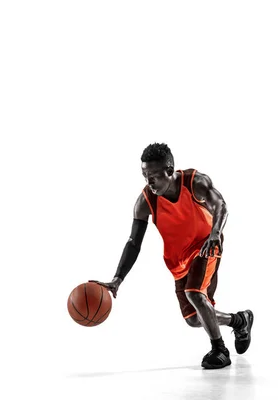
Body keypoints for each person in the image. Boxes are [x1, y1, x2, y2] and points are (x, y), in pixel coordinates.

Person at [92, 142, 253, 369]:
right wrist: (118, 279)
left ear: (169, 170)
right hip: (178, 260)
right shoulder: (145, 200)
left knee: (194, 294)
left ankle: (219, 350)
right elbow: (133, 242)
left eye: (154, 176)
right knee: (194, 319)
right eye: (144, 175)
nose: (149, 182)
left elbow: (221, 206)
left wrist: (215, 233)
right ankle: (239, 320)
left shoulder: (195, 182)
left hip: (206, 245)